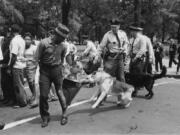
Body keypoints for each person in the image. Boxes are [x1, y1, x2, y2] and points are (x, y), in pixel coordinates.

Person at [35, 23, 69, 128]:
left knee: (60, 92)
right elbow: (37, 58)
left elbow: (62, 58)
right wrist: (36, 73)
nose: (63, 40)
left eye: (64, 38)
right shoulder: (43, 43)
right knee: (44, 95)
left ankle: (64, 114)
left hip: (57, 70)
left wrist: (63, 70)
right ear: (55, 34)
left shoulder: (63, 46)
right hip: (45, 71)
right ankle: (45, 116)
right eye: (62, 37)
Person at [94, 18, 129, 105]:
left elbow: (127, 44)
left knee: (121, 79)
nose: (113, 29)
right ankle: (100, 100)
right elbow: (101, 47)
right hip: (111, 59)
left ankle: (121, 100)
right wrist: (96, 56)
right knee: (105, 78)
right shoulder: (107, 35)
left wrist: (124, 49)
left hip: (120, 58)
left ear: (119, 26)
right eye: (112, 27)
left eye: (115, 27)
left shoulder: (123, 34)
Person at [7, 24, 27, 108]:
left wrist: (9, 67)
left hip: (17, 66)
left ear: (12, 31)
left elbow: (14, 55)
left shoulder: (14, 40)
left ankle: (21, 102)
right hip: (22, 65)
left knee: (18, 85)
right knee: (21, 84)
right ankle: (24, 100)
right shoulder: (22, 40)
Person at [0, 29, 15, 106]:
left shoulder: (10, 41)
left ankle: (11, 98)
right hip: (2, 63)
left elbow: (8, 53)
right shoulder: (3, 40)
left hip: (7, 63)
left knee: (9, 83)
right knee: (4, 83)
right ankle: (7, 97)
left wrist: (6, 64)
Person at [24, 32, 38, 108]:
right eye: (25, 39)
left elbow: (36, 58)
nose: (27, 41)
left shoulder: (34, 48)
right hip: (24, 68)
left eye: (28, 39)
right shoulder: (23, 48)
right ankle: (33, 95)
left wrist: (28, 59)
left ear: (31, 40)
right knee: (29, 83)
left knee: (32, 82)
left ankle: (35, 98)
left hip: (32, 67)